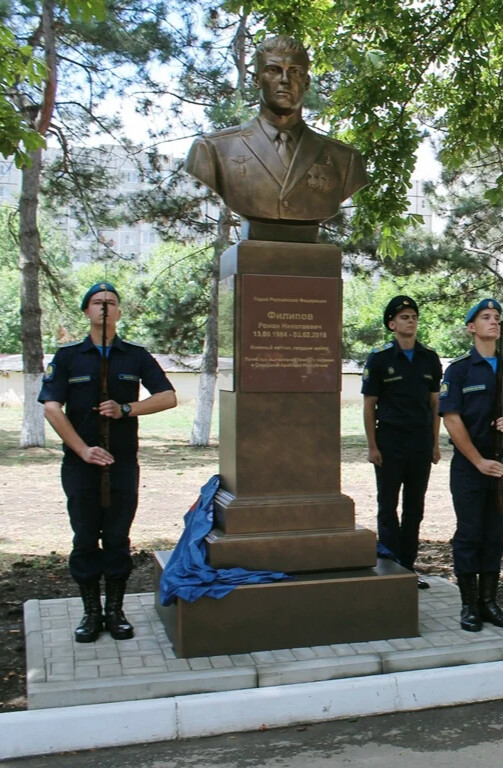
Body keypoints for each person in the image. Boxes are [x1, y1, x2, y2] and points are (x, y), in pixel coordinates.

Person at [38, 283, 177, 644]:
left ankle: (115, 611)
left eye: (111, 303)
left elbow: (167, 396)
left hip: (123, 463)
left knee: (117, 538)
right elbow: (52, 407)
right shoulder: (68, 357)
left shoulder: (135, 356)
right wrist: (83, 449)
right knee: (85, 538)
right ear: (86, 311)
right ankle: (90, 612)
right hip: (80, 465)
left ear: (118, 312)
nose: (104, 307)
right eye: (97, 302)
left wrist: (127, 408)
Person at [185, 35, 368, 235]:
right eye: (273, 70)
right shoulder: (213, 150)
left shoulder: (345, 160)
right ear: (256, 80)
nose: (284, 80)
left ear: (306, 82)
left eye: (295, 72)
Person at [438, 299, 503, 631]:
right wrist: (478, 461)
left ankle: (489, 602)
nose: (494, 322)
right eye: (485, 317)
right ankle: (468, 606)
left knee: (495, 532)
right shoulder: (459, 370)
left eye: (497, 318)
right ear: (471, 328)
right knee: (469, 533)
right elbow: (451, 419)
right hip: (470, 464)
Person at [362, 296, 442, 589]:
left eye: (413, 316)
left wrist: (435, 444)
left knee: (415, 507)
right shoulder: (380, 358)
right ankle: (389, 567)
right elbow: (370, 406)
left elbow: (435, 405)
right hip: (390, 440)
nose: (410, 321)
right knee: (388, 505)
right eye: (404, 317)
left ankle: (408, 568)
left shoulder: (429, 358)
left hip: (420, 441)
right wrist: (373, 446)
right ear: (392, 325)